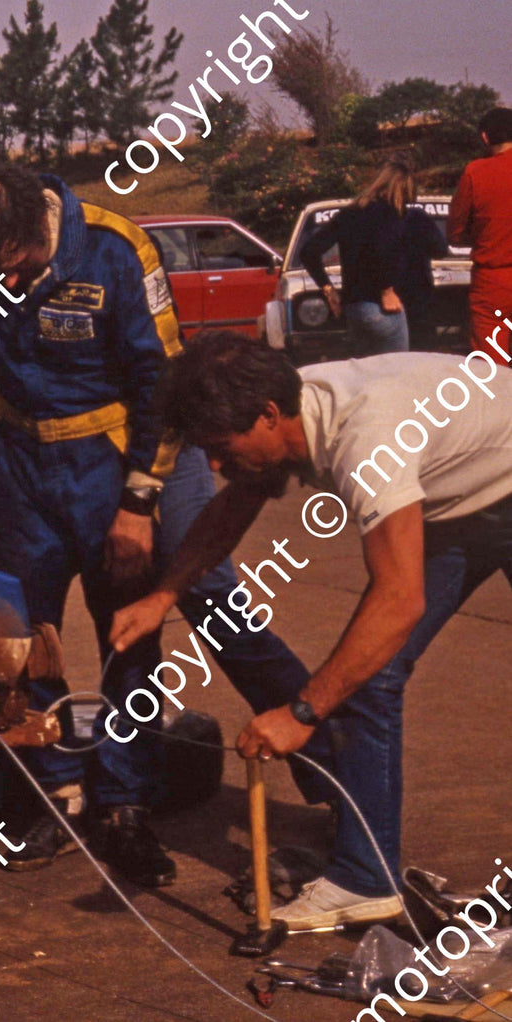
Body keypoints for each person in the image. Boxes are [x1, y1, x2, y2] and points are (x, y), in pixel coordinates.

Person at [0, 144, 309, 886]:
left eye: (15, 267)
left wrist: (139, 502)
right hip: (19, 468)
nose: (2, 286)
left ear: (33, 223)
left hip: (106, 465)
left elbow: (161, 386)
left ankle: (123, 801)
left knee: (126, 639)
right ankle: (50, 793)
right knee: (22, 638)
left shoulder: (113, 248)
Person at [111, 332, 512, 929]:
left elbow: (399, 599)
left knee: (358, 670)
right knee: (367, 680)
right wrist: (164, 595)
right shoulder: (292, 403)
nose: (216, 466)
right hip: (475, 488)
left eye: (222, 449)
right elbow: (231, 507)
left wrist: (300, 714)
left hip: (498, 479)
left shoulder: (367, 438)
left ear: (270, 417)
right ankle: (363, 880)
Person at [302, 159, 446, 356]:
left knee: (366, 376)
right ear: (402, 189)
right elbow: (381, 249)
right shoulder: (389, 213)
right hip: (384, 309)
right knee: (394, 375)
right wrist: (386, 290)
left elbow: (308, 251)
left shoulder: (349, 213)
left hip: (355, 309)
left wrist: (328, 290)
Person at [450, 108, 512, 363]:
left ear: (485, 138)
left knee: (493, 367)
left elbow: (455, 232)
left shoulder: (476, 172)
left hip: (494, 278)